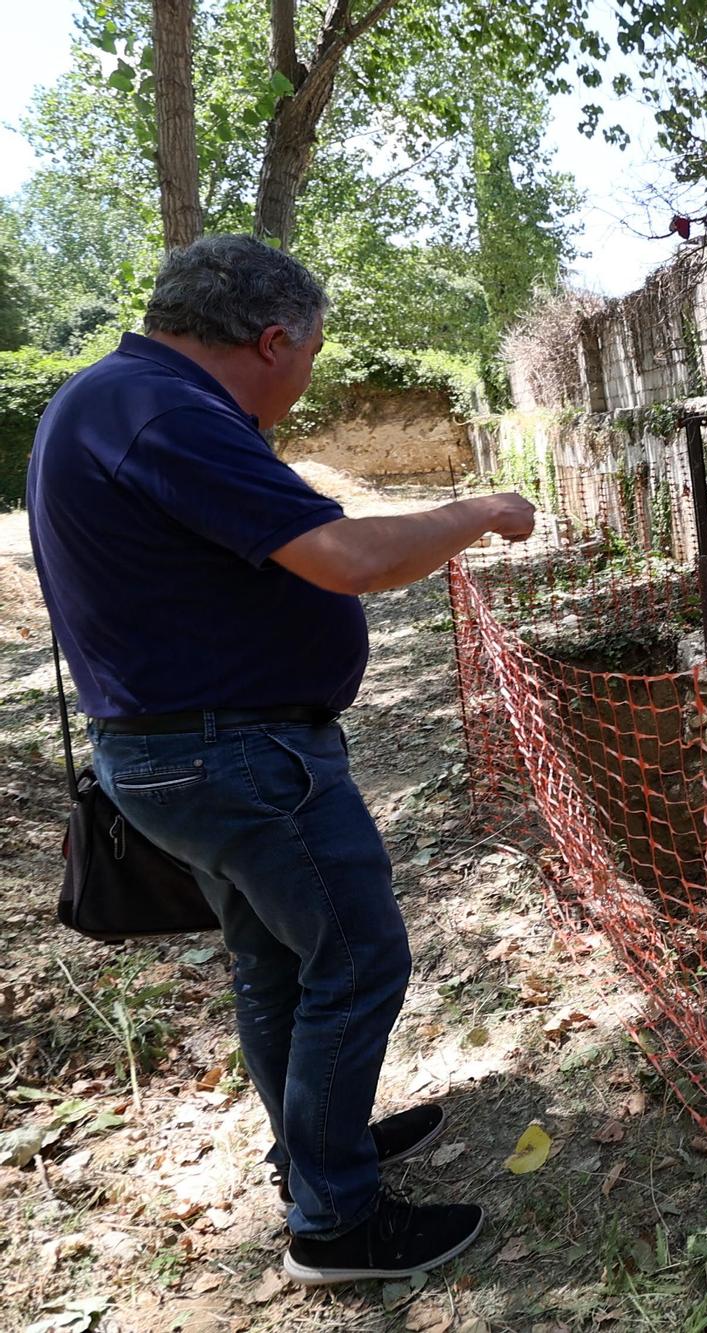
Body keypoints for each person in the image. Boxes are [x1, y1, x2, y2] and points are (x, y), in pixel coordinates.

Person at [26, 235, 536, 1286]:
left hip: (184, 752)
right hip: (233, 756)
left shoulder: (118, 399)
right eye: (308, 356)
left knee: (277, 966)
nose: (304, 382)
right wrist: (479, 511)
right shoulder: (164, 413)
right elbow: (348, 559)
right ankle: (336, 1220)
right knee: (357, 961)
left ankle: (315, 1155)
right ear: (272, 340)